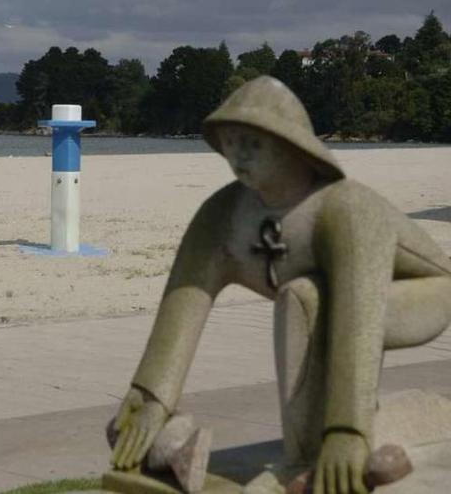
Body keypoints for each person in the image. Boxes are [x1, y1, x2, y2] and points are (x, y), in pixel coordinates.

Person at [108, 76, 451, 494]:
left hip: (424, 292)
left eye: (252, 144)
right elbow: (186, 298)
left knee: (304, 297)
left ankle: (304, 460)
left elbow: (357, 315)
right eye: (231, 144)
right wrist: (150, 397)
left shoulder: (347, 209)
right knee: (306, 298)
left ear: (291, 146)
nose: (238, 157)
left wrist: (347, 429)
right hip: (334, 302)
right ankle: (352, 437)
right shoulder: (222, 213)